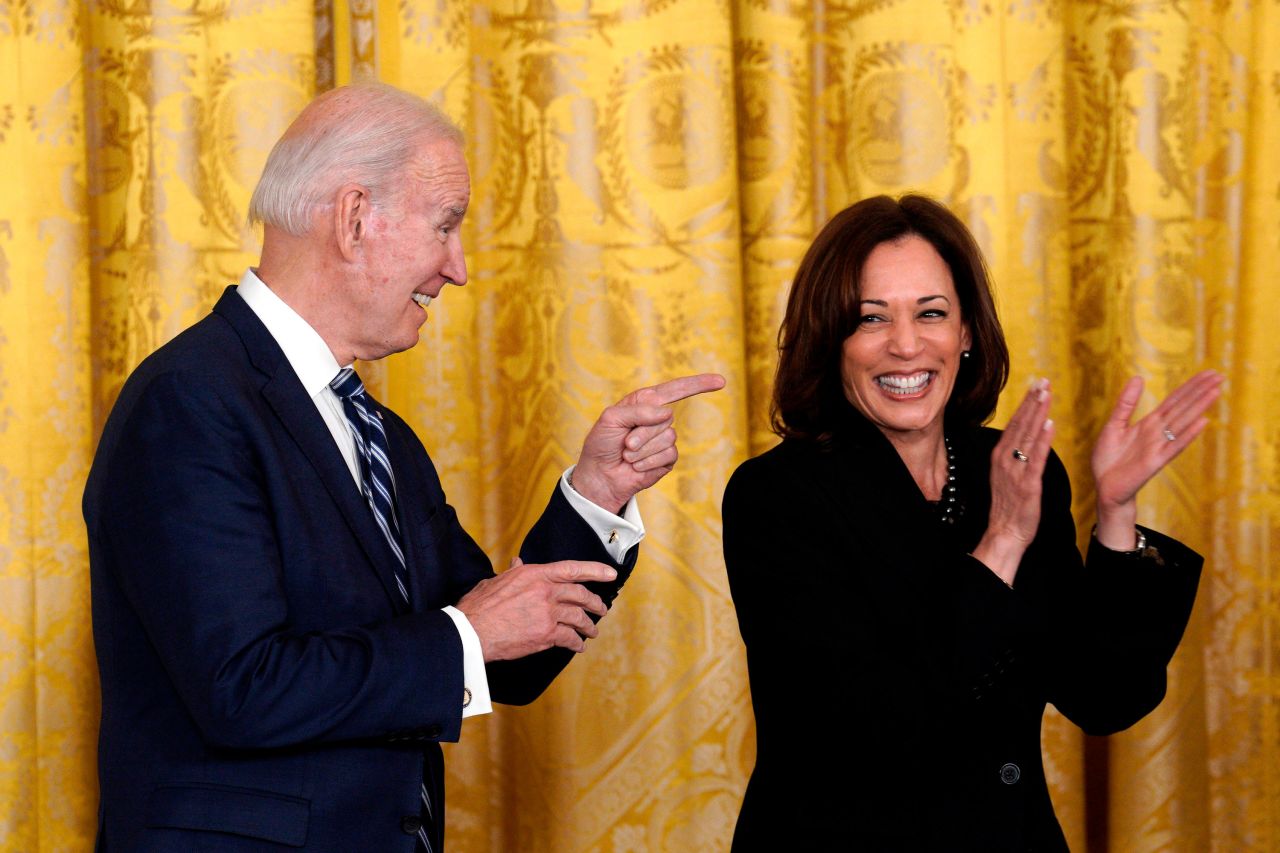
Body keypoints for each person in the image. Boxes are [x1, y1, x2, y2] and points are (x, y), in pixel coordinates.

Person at [83, 82, 723, 851]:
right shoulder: (188, 401)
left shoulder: (380, 432)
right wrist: (466, 634)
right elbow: (242, 689)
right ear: (355, 219)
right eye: (445, 225)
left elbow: (502, 648)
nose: (458, 267)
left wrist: (598, 493)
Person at [721, 194, 1222, 851]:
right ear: (832, 339)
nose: (905, 345)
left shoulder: (1010, 466)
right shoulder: (776, 497)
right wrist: (1002, 542)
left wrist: (1116, 511)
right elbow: (870, 732)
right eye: (871, 318)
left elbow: (1103, 695)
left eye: (931, 313)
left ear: (965, 331)